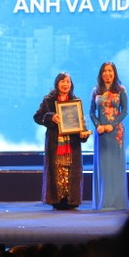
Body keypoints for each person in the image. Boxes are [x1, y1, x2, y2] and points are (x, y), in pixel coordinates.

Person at [34, 72, 91, 210]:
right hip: (55, 142)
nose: (66, 84)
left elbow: (80, 123)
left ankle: (71, 201)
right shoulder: (48, 100)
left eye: (68, 81)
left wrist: (83, 134)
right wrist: (50, 117)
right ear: (57, 83)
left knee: (71, 171)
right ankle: (57, 200)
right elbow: (37, 117)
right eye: (62, 81)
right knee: (57, 170)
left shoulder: (75, 101)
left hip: (72, 143)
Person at [89, 61, 128, 210]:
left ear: (114, 73)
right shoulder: (96, 90)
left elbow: (124, 111)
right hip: (101, 133)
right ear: (101, 74)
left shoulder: (121, 90)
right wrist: (98, 125)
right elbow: (92, 112)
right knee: (103, 166)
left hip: (116, 132)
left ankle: (117, 202)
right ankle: (103, 201)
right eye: (104, 71)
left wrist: (113, 124)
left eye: (110, 71)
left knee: (116, 166)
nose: (107, 73)